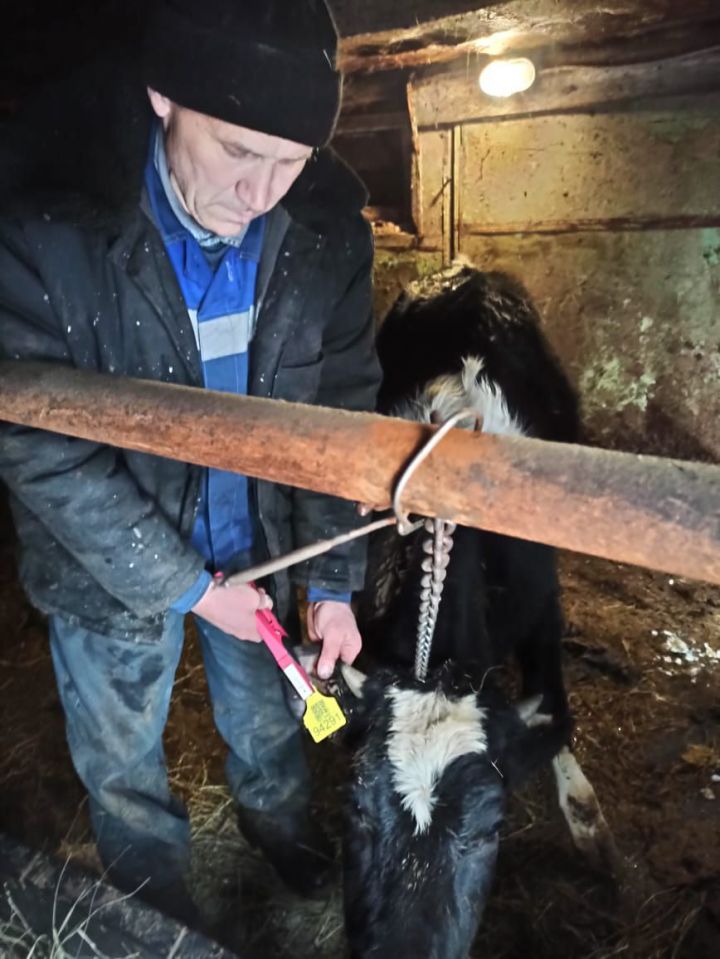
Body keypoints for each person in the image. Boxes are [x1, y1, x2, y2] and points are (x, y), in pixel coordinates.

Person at [0, 0, 380, 924]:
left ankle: (281, 827)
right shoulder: (49, 222)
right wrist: (187, 585)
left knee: (271, 717)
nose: (260, 194)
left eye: (290, 162)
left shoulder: (325, 237)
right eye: (238, 151)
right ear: (162, 96)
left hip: (258, 545)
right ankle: (153, 901)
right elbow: (36, 443)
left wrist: (330, 578)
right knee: (120, 746)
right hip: (110, 564)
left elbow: (340, 416)